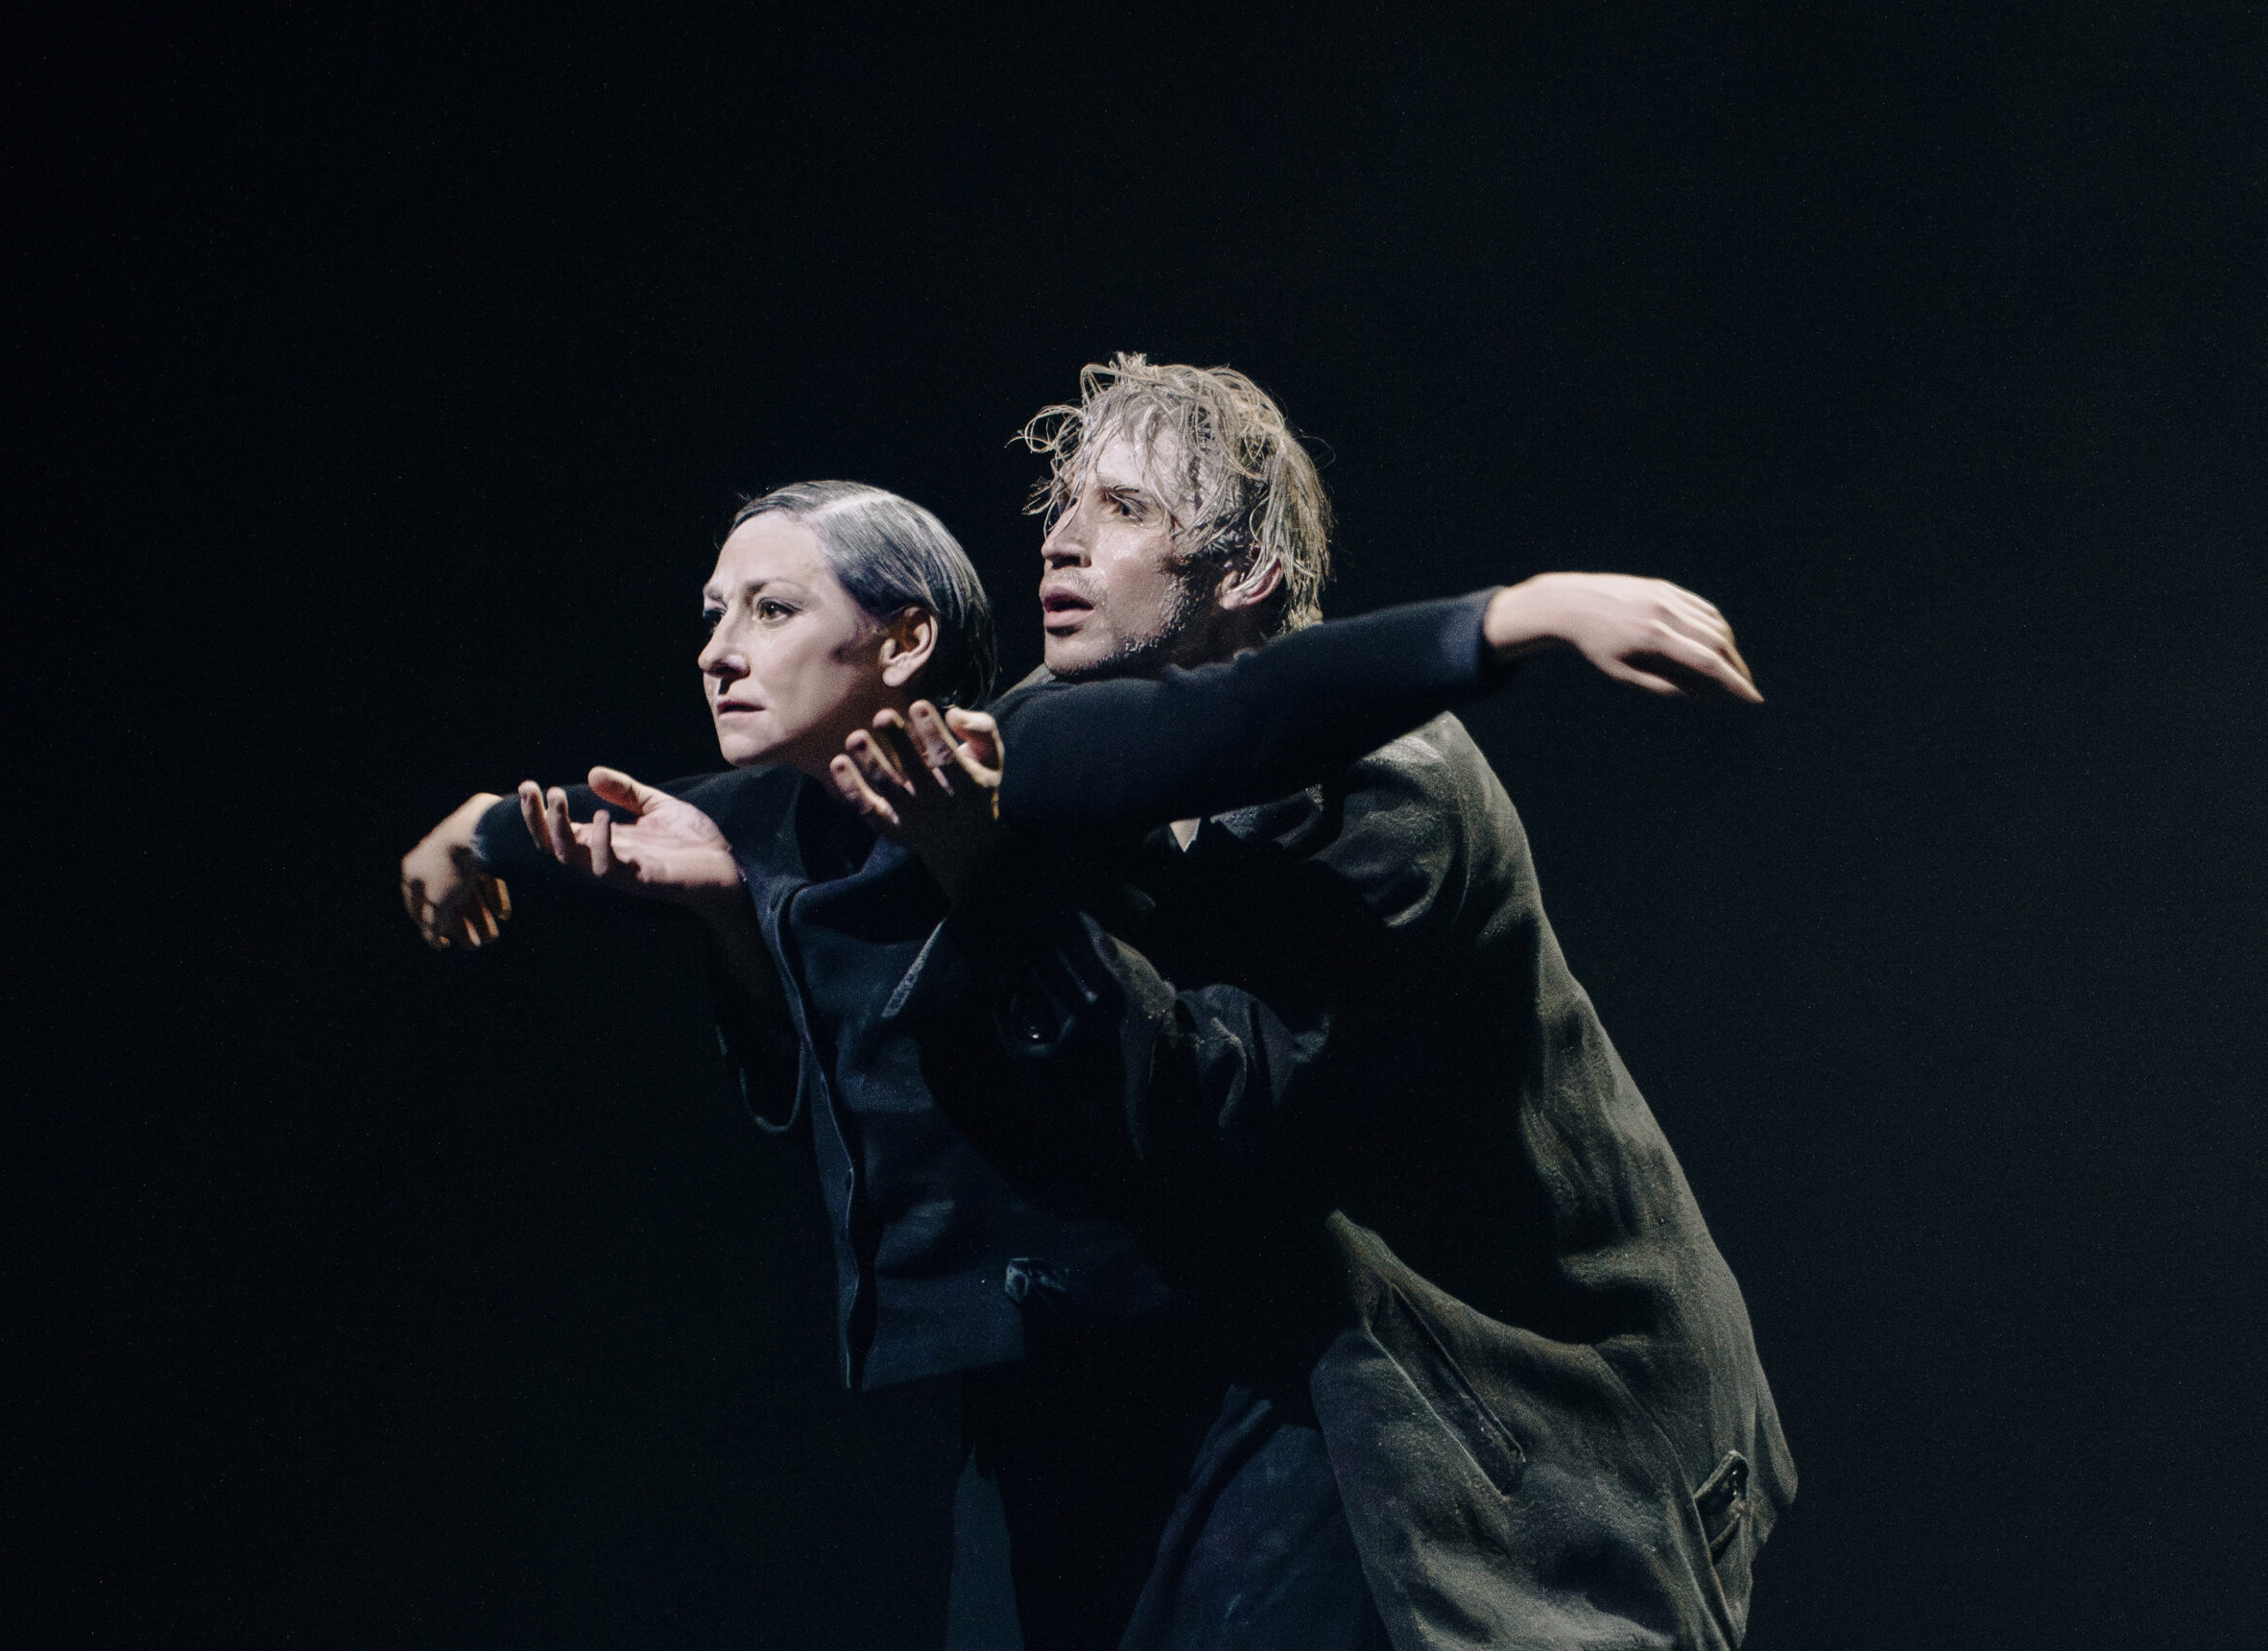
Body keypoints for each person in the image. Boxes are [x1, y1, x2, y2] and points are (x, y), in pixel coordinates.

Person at [399, 449, 1770, 1645]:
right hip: (1045, 1389)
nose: (717, 649)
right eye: (713, 612)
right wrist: (489, 832)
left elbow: (1239, 728)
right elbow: (635, 818)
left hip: (1285, 1377)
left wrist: (1515, 618)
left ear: (903, 639)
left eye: (770, 608)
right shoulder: (778, 822)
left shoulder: (1035, 758)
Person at [829, 357, 1795, 1649]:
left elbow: (1218, 1112)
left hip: (1527, 1396)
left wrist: (991, 881)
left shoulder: (1392, 792)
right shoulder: (1055, 735)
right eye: (1062, 504)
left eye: (1124, 509)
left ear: (1243, 577)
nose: (1060, 539)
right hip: (1291, 1367)